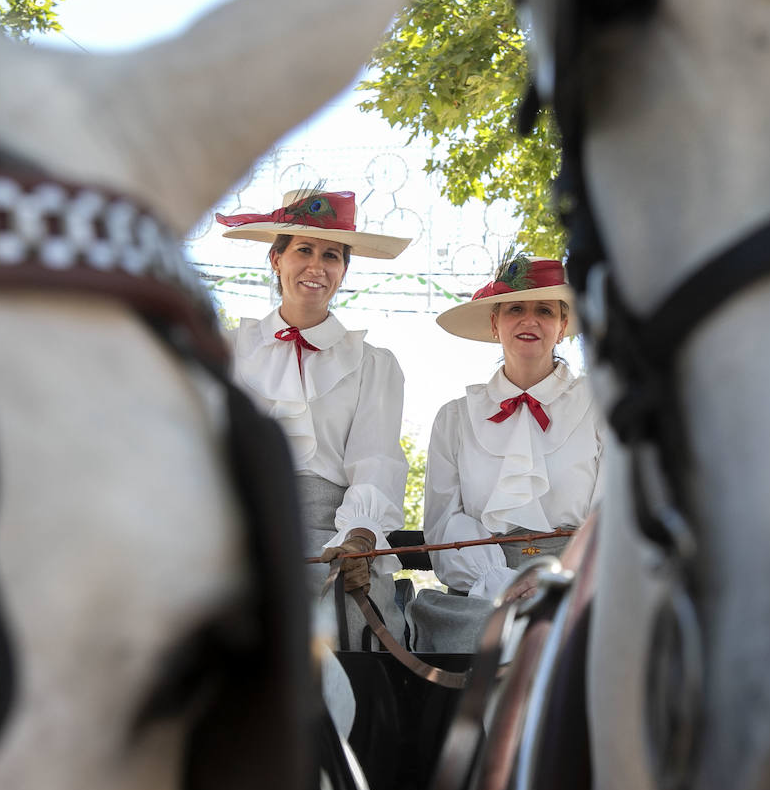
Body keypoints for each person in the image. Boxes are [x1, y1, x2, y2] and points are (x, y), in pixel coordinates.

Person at [216, 188, 410, 650]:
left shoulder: (372, 364)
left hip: (332, 540)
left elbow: (375, 461)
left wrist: (358, 539)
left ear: (344, 271)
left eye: (332, 255)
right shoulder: (227, 352)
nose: (317, 266)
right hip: (239, 532)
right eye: (304, 249)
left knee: (358, 634)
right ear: (275, 259)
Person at [409, 253, 603, 653]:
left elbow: (613, 515)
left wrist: (561, 572)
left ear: (563, 326)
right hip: (483, 592)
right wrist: (500, 579)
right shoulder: (455, 418)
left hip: (579, 584)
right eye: (515, 308)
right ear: (495, 323)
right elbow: (444, 524)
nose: (529, 320)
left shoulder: (600, 408)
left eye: (544, 310)